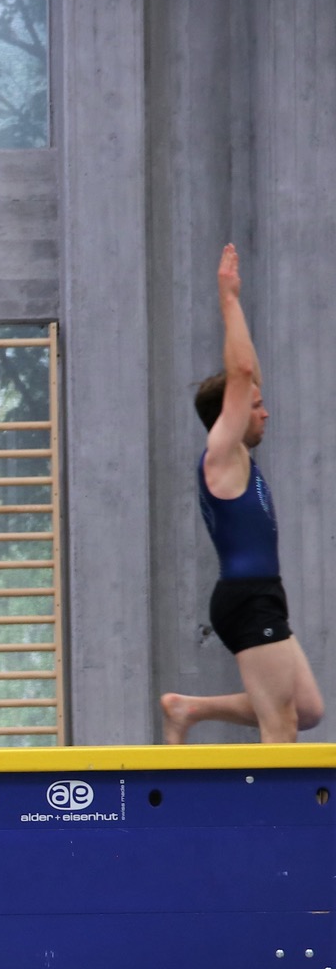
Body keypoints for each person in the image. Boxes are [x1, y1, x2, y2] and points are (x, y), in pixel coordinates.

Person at [161, 245, 323, 743]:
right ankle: (275, 801)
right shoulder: (222, 452)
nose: (265, 412)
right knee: (281, 724)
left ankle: (189, 708)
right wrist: (228, 299)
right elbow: (242, 372)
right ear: (228, 417)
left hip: (262, 593)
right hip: (248, 598)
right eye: (255, 406)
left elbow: (248, 376)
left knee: (307, 709)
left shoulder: (239, 456)